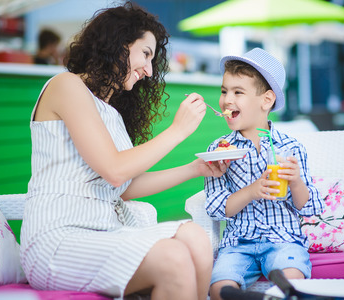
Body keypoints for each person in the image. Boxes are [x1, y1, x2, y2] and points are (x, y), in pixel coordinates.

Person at [20, 2, 229, 300]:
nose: (149, 69)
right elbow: (115, 169)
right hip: (58, 238)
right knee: (173, 257)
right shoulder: (66, 86)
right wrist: (177, 131)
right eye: (145, 54)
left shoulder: (112, 114)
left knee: (197, 237)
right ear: (118, 44)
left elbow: (123, 186)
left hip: (106, 232)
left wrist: (196, 169)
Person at [204, 48, 325, 300]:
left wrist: (296, 182)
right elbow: (216, 208)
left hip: (284, 240)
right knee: (219, 289)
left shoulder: (290, 148)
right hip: (238, 245)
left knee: (292, 278)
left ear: (266, 100)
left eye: (238, 92)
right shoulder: (218, 150)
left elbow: (309, 207)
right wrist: (251, 191)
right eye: (224, 91)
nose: (227, 100)